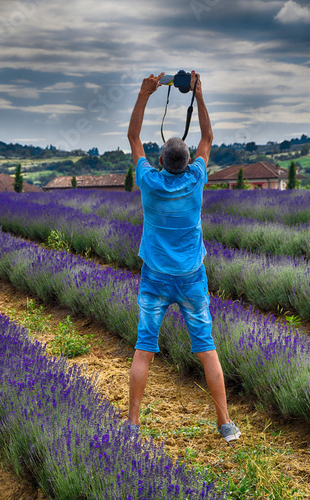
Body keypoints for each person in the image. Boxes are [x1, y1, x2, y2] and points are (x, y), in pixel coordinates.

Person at [127, 71, 241, 443]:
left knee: (144, 351)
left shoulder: (148, 180)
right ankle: (225, 425)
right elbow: (208, 137)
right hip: (192, 279)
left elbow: (132, 137)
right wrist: (199, 95)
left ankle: (132, 426)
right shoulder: (196, 179)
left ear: (160, 160)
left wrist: (145, 94)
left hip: (155, 279)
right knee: (207, 351)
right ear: (189, 161)